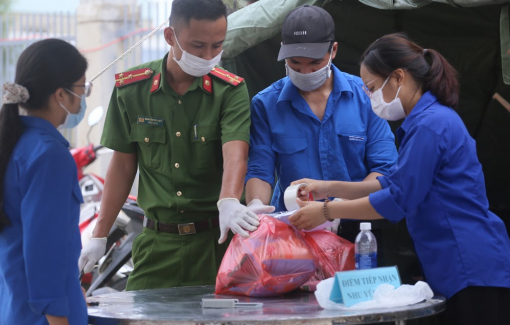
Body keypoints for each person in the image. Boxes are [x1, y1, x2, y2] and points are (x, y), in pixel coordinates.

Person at [289, 33, 510, 325]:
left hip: (468, 265)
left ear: (398, 77)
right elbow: (390, 183)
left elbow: (396, 200)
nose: (369, 98)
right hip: (461, 265)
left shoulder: (430, 126)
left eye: (370, 88)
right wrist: (326, 187)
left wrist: (327, 211)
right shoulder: (425, 121)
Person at [78, 0, 274, 291]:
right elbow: (122, 166)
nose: (209, 56)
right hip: (157, 245)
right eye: (198, 46)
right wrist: (99, 234)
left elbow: (235, 152)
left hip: (217, 244)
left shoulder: (229, 91)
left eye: (217, 45)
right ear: (170, 36)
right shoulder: (131, 90)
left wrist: (229, 201)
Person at [244, 5, 397, 254]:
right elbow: (260, 171)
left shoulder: (366, 96)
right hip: (293, 230)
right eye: (295, 63)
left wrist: (338, 206)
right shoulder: (266, 103)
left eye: (315, 63)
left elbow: (385, 170)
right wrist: (256, 207)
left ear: (333, 50)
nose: (305, 71)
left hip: (359, 230)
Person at [0, 39, 90, 325]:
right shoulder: (50, 155)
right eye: (81, 88)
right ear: (61, 94)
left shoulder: (14, 144)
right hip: (46, 318)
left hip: (15, 307)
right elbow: (44, 252)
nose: (84, 96)